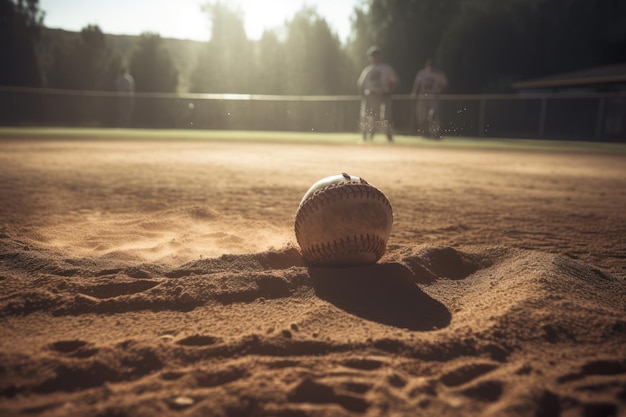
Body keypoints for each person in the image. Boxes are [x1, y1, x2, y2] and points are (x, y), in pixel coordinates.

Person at [357, 46, 398, 142]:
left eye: (376, 55)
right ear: (370, 57)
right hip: (370, 95)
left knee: (386, 117)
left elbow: (393, 82)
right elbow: (360, 84)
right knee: (368, 116)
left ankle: (389, 136)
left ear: (379, 56)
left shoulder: (386, 68)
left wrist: (389, 91)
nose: (375, 57)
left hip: (383, 95)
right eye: (372, 56)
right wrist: (363, 96)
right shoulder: (367, 70)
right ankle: (365, 135)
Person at [411, 59, 448, 138]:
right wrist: (414, 93)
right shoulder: (422, 73)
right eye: (429, 66)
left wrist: (439, 91)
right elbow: (417, 84)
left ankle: (435, 132)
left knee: (434, 115)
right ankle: (425, 132)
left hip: (433, 97)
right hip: (423, 97)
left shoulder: (438, 74)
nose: (430, 68)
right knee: (422, 116)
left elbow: (444, 85)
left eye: (431, 66)